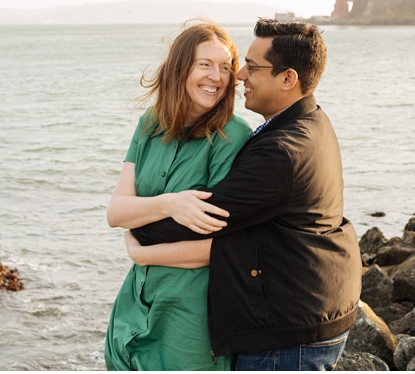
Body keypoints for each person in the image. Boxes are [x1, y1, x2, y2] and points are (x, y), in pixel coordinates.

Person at [128, 19, 362, 371]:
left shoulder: (282, 151)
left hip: (288, 333)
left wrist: (138, 234)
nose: (238, 76)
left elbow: (202, 218)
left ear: (288, 79)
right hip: (311, 307)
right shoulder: (308, 120)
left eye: (251, 66)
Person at [104, 22, 252, 371]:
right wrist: (172, 203)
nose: (216, 77)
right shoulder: (149, 124)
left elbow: (219, 248)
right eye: (205, 64)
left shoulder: (234, 135)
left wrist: (141, 253)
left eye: (226, 67)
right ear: (180, 67)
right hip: (134, 302)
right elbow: (116, 213)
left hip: (190, 315)